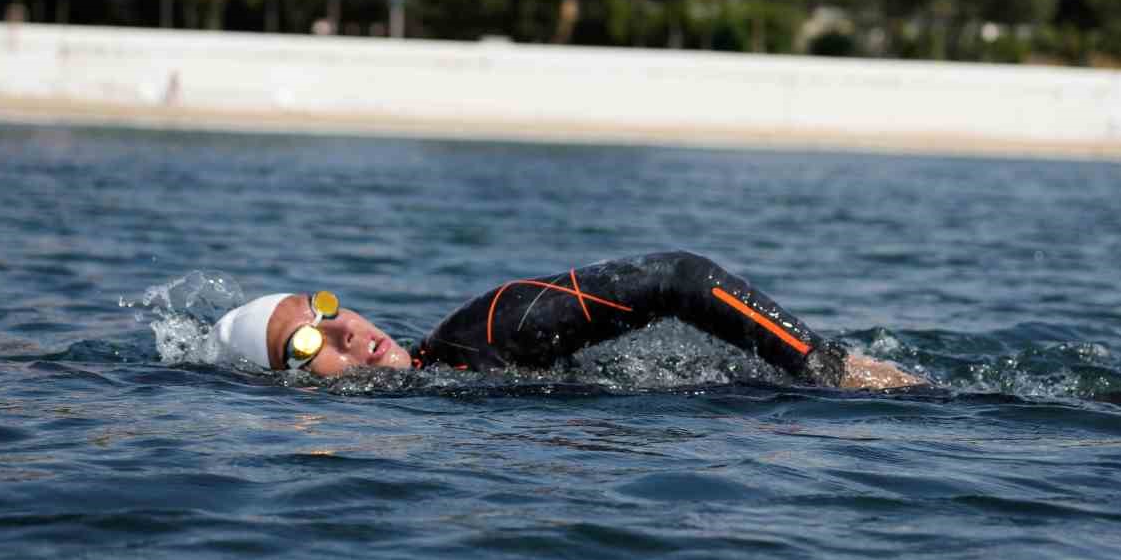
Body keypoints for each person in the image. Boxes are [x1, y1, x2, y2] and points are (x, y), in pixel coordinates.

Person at [212, 250, 926, 390]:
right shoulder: (451, 386)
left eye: (326, 309)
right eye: (307, 343)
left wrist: (825, 366)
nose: (344, 332)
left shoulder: (483, 332)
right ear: (289, 384)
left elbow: (680, 277)